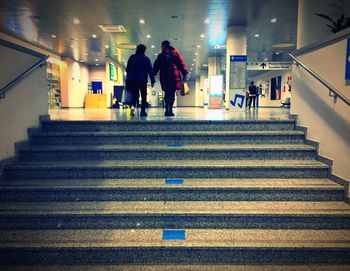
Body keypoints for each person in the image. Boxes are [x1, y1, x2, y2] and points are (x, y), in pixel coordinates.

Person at [153, 40, 188, 116]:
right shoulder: (175, 53)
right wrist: (184, 73)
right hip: (174, 75)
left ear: (162, 46)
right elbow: (181, 63)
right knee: (172, 92)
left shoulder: (161, 55)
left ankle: (166, 110)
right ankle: (170, 110)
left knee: (166, 92)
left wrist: (153, 75)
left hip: (164, 76)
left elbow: (156, 66)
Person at [125, 44, 155, 117]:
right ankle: (143, 111)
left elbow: (127, 69)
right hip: (142, 80)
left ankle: (132, 106)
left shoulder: (132, 57)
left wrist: (129, 77)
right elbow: (150, 70)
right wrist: (152, 80)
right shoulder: (146, 58)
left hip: (132, 80)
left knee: (135, 95)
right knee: (143, 96)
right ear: (144, 50)